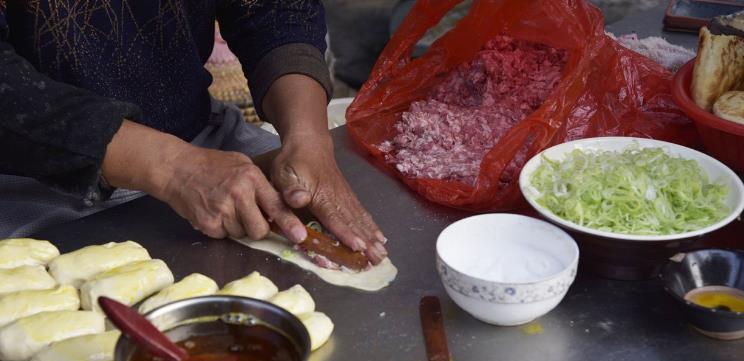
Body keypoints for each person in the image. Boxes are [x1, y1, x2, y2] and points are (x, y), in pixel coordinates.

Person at [0, 0, 388, 264]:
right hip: (28, 178)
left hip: (209, 143)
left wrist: (308, 138)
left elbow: (273, 9)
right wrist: (173, 169)